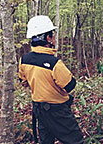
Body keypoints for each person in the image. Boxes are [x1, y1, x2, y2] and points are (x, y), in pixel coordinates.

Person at [18, 15, 84, 144]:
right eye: (52, 34)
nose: (54, 37)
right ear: (47, 38)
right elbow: (70, 85)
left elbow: (23, 82)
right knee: (76, 141)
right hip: (58, 111)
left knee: (46, 141)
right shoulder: (54, 63)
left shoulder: (24, 60)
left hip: (39, 110)